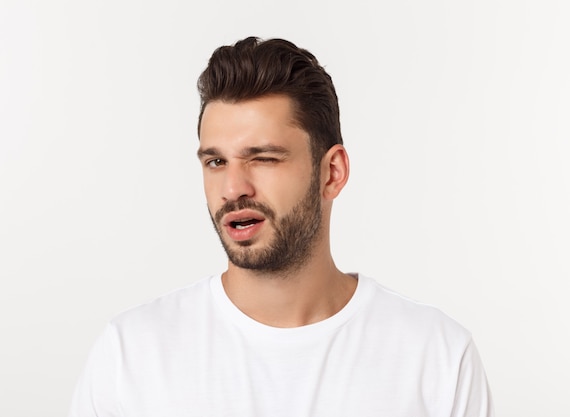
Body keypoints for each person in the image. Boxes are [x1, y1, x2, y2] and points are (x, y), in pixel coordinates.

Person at [68, 36, 494, 417]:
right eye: (216, 162)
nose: (233, 188)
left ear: (332, 173)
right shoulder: (132, 354)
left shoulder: (437, 357)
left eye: (264, 158)